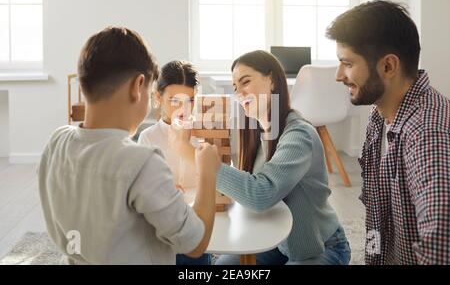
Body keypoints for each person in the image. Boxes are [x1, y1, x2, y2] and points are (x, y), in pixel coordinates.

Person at [38, 27, 221, 264]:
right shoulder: (142, 162)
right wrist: (208, 173)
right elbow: (195, 245)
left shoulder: (56, 142)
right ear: (139, 86)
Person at [175, 50, 351, 265]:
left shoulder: (299, 135)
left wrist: (199, 160)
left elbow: (260, 194)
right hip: (279, 242)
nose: (239, 93)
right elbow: (245, 186)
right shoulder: (257, 134)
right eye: (235, 87)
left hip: (319, 246)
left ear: (272, 81)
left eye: (245, 82)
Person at [326, 0, 450, 265]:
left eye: (347, 63)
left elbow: (440, 248)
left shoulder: (427, 135)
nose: (338, 75)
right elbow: (376, 212)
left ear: (388, 66)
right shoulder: (380, 114)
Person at [138, 60, 211, 265]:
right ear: (159, 97)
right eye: (175, 101)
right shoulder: (148, 138)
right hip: (165, 225)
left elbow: (216, 178)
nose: (183, 109)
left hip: (196, 218)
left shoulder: (203, 135)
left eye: (189, 100)